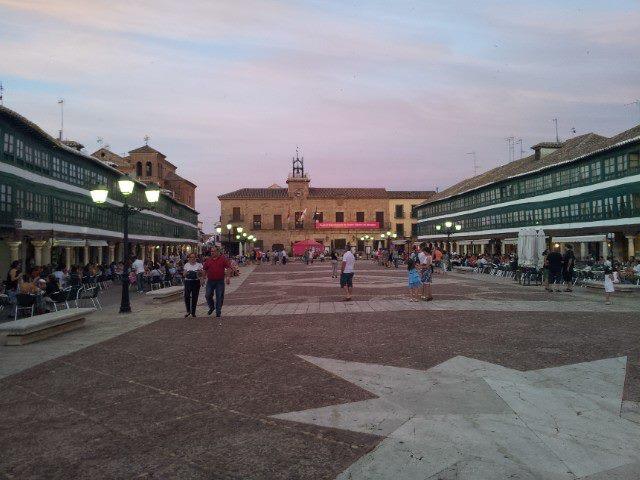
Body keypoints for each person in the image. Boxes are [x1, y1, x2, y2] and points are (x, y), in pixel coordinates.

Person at [203, 247, 232, 321]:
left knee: (219, 296)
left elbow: (228, 267)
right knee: (208, 295)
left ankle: (218, 311)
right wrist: (203, 278)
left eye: (214, 251)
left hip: (220, 281)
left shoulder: (222, 259)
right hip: (210, 281)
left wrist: (228, 277)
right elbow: (204, 269)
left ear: (218, 252)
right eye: (211, 251)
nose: (212, 253)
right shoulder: (208, 260)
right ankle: (212, 307)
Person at [182, 252, 204, 318]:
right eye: (191, 257)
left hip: (196, 282)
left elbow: (201, 274)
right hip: (188, 281)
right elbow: (184, 274)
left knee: (195, 297)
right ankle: (188, 310)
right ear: (189, 258)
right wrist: (186, 273)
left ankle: (193, 312)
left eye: (193, 257)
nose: (192, 259)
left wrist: (201, 279)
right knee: (187, 296)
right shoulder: (186, 265)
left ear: (195, 258)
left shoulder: (199, 265)